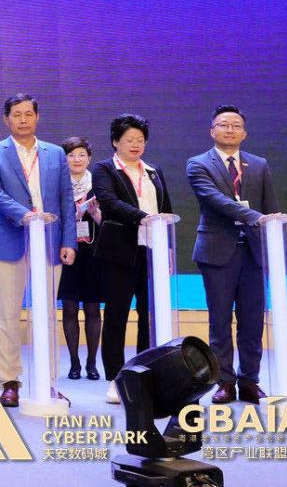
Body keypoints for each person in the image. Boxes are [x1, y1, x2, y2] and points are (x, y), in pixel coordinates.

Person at [0, 93, 77, 408]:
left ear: (37, 117)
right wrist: (25, 215)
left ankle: (48, 381)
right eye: (17, 114)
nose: (23, 119)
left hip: (49, 242)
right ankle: (10, 381)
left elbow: (65, 198)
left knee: (46, 315)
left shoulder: (55, 153)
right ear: (6, 119)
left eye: (28, 114)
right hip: (10, 240)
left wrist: (68, 241)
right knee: (8, 314)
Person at [187, 105, 279, 405]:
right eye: (224, 124)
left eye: (236, 125)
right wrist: (253, 216)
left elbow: (270, 208)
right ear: (212, 130)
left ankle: (250, 381)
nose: (230, 130)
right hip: (217, 253)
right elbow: (214, 199)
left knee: (252, 321)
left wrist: (270, 229)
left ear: (244, 133)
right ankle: (224, 382)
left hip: (253, 253)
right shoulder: (198, 163)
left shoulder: (259, 164)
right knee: (220, 322)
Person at [92, 115, 173, 404]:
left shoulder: (153, 171)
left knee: (149, 317)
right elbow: (109, 202)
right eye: (129, 140)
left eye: (140, 140)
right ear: (116, 141)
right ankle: (116, 379)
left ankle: (145, 375)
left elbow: (166, 208)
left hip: (152, 251)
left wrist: (168, 247)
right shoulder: (104, 169)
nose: (136, 145)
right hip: (119, 252)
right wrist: (144, 218)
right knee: (117, 316)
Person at [56, 136, 102, 385]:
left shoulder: (99, 184)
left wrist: (96, 214)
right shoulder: (58, 184)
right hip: (66, 251)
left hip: (93, 253)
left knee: (93, 308)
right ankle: (74, 363)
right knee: (70, 308)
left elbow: (109, 222)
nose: (77, 159)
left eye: (82, 154)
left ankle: (92, 363)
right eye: (71, 155)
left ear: (89, 158)